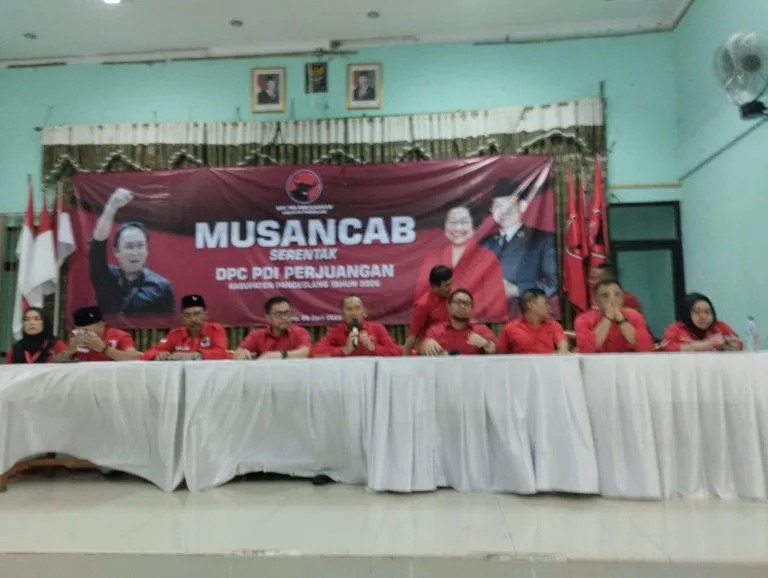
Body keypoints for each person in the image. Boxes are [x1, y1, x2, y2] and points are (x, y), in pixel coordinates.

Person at [414, 204, 507, 323]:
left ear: (474, 225)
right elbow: (421, 300)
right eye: (452, 222)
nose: (458, 228)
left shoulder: (488, 258)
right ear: (444, 225)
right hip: (437, 327)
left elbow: (496, 307)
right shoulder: (431, 259)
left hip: (475, 326)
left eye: (464, 222)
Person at [90, 188, 175, 315]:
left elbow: (168, 322)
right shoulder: (105, 277)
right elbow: (98, 243)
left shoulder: (162, 287)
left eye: (140, 246)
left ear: (147, 250)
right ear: (116, 251)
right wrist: (111, 207)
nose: (135, 252)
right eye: (129, 247)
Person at [479, 178, 557, 315]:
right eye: (497, 205)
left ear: (522, 206)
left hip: (527, 316)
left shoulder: (542, 240)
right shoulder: (484, 244)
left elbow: (553, 283)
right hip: (486, 315)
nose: (503, 211)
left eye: (508, 204)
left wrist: (516, 290)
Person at [575, 279, 654, 354]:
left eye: (617, 295)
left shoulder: (635, 316)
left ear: (622, 298)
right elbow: (586, 350)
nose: (612, 299)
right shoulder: (583, 319)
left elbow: (646, 348)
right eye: (605, 296)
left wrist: (621, 319)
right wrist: (608, 318)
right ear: (596, 300)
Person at [142, 295, 230, 361]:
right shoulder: (176, 334)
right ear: (182, 318)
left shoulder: (215, 330)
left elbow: (221, 353)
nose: (193, 319)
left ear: (206, 315)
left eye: (197, 314)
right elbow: (148, 354)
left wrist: (194, 356)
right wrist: (159, 354)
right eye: (187, 315)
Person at [313, 294, 401, 357]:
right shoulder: (335, 332)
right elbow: (315, 354)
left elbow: (396, 352)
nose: (354, 313)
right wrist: (344, 350)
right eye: (349, 309)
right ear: (342, 314)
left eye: (357, 308)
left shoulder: (377, 328)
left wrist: (374, 348)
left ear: (365, 313)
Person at [421, 289, 497, 356]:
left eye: (466, 303)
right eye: (458, 302)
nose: (462, 306)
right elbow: (421, 349)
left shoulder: (481, 330)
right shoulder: (435, 330)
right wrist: (426, 345)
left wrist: (486, 344)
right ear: (449, 307)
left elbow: (498, 349)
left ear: (471, 309)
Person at [233, 296, 312, 360]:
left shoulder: (300, 332)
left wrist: (281, 355)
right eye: (278, 314)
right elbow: (238, 352)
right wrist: (242, 353)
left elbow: (304, 352)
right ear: (268, 318)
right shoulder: (257, 335)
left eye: (287, 313)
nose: (284, 318)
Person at [53, 306, 140, 362]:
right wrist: (69, 351)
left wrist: (104, 349)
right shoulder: (78, 338)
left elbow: (133, 358)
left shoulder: (119, 336)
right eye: (78, 330)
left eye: (86, 330)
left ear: (101, 325)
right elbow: (55, 362)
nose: (83, 333)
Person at [661, 293, 743, 352]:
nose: (703, 317)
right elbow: (667, 347)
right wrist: (705, 344)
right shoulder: (674, 329)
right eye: (697, 312)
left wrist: (731, 345)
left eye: (707, 312)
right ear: (687, 314)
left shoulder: (720, 326)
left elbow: (739, 344)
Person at [498, 288, 569, 354]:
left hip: (547, 363)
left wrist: (561, 353)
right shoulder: (510, 328)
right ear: (531, 305)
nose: (549, 307)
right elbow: (499, 354)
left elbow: (562, 344)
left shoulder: (554, 325)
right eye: (545, 303)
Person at [403, 265, 452, 356]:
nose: (450, 288)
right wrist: (404, 360)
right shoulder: (423, 305)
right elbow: (412, 336)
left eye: (451, 283)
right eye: (447, 285)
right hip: (431, 350)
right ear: (434, 286)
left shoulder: (453, 298)